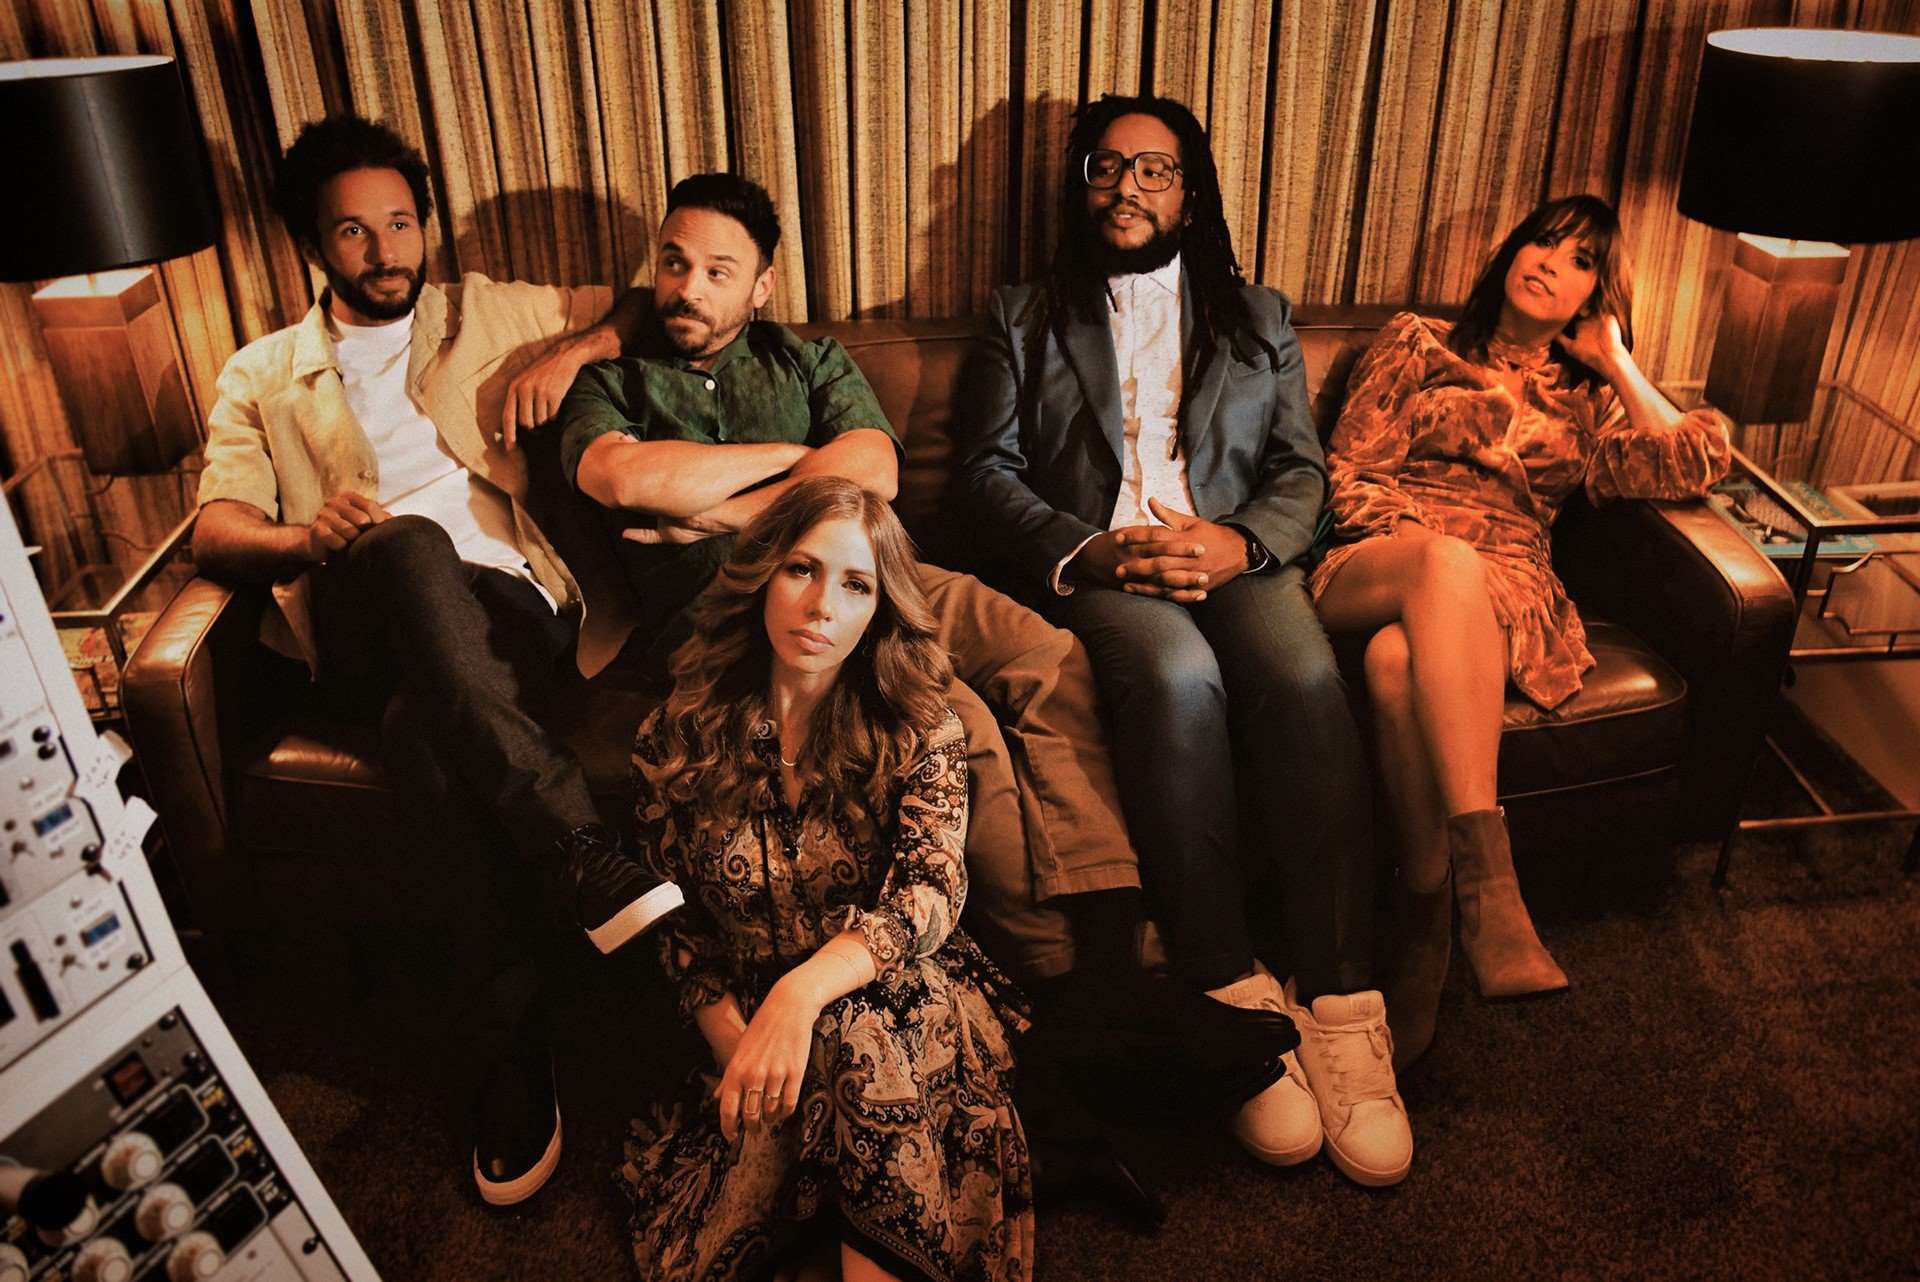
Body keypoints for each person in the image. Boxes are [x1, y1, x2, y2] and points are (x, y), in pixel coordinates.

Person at [191, 115, 681, 1206]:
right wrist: (302, 538)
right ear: (312, 246)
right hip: (362, 609)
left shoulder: (488, 311)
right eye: (353, 232)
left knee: (424, 735)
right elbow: (215, 529)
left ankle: (510, 1051)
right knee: (408, 543)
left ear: (426, 224)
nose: (386, 251)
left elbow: (643, 302)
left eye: (401, 223)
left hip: (513, 611)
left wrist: (576, 350)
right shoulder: (262, 373)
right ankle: (579, 847)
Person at [956, 94, 1411, 1188]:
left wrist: (1240, 542)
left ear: (1189, 195)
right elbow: (983, 473)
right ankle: (1224, 980)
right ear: (1081, 186)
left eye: (1153, 170)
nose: (1127, 187)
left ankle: (1341, 997)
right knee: (1174, 674)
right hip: (1105, 567)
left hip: (1232, 554)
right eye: (1106, 167)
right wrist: (1090, 551)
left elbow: (1300, 470)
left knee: (1301, 675)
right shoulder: (1022, 315)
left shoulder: (1257, 315)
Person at [1309, 194, 1731, 1067]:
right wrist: (1414, 541)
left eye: (1581, 260)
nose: (1550, 262)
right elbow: (1349, 467)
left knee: (1394, 662)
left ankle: (1426, 917)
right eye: (1543, 241)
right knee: (1442, 567)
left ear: (1593, 297)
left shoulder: (1584, 404)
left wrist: (1615, 362)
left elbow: (1696, 462)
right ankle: (1490, 884)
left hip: (1507, 582)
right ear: (1510, 252)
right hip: (1381, 552)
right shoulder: (1417, 341)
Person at [618, 476, 1031, 1282]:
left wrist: (801, 993)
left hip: (907, 1000)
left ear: (881, 607)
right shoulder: (676, 734)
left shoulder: (922, 726)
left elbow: (929, 894)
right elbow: (672, 919)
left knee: (857, 1030)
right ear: (762, 574)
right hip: (751, 1024)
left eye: (855, 585)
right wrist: (735, 1038)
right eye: (802, 570)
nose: (821, 608)